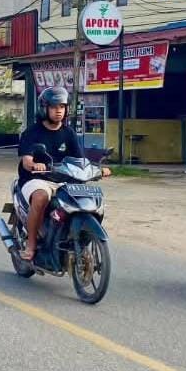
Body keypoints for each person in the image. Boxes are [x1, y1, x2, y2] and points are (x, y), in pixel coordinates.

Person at [16, 86, 109, 262]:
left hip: (63, 179)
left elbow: (80, 160)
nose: (58, 111)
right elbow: (26, 161)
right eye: (54, 107)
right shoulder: (32, 132)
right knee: (41, 197)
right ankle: (31, 243)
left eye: (62, 107)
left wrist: (97, 169)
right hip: (36, 179)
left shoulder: (68, 133)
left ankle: (74, 238)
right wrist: (36, 164)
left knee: (86, 201)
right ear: (45, 109)